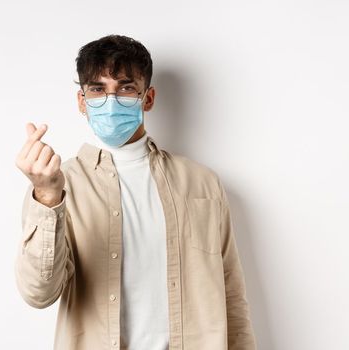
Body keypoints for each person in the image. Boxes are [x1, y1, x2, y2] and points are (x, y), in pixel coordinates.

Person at [13, 34, 257, 350]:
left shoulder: (202, 183)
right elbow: (38, 293)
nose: (111, 101)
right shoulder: (60, 184)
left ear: (148, 97)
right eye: (98, 90)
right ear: (81, 101)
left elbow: (232, 295)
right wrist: (47, 197)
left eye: (126, 88)